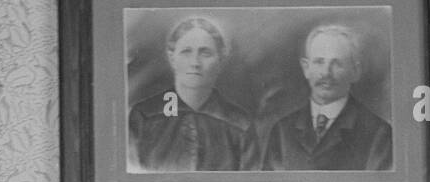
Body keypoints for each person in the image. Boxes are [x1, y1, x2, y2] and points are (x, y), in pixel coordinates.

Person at [128, 15, 256, 172]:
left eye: (205, 53)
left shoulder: (239, 124)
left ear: (220, 60)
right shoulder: (143, 116)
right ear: (172, 57)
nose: (195, 63)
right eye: (186, 52)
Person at [261, 24, 393, 172]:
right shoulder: (281, 131)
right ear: (306, 68)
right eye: (319, 62)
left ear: (355, 71)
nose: (326, 73)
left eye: (336, 64)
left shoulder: (379, 134)